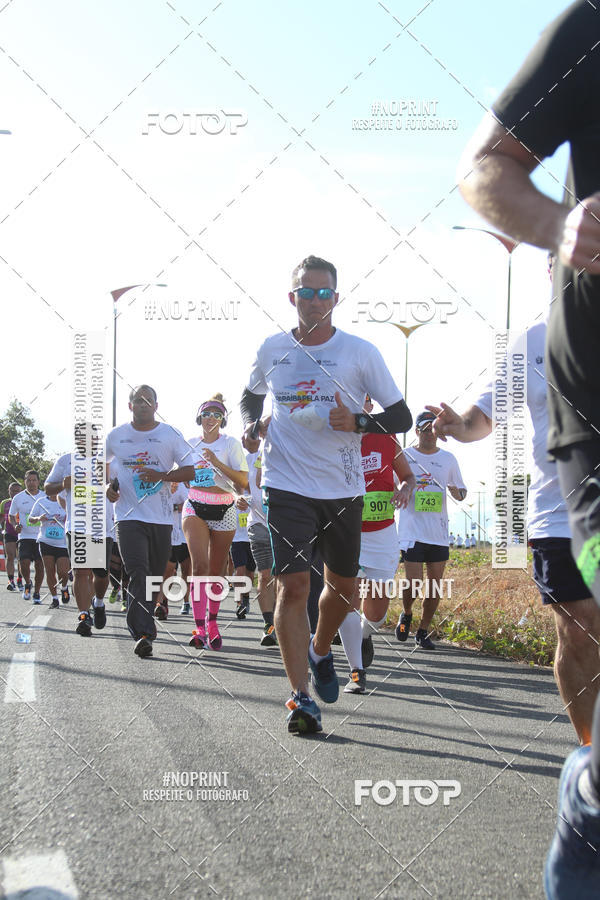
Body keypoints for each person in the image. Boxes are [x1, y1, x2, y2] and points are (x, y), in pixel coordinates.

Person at [457, 3, 600, 892]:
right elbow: (484, 169)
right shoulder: (590, 28)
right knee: (583, 630)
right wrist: (562, 226)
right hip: (588, 445)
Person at [241, 254, 412, 733]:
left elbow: (401, 417)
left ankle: (320, 650)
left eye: (323, 293)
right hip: (286, 484)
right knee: (293, 587)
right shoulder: (272, 348)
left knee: (342, 592)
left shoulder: (360, 352)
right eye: (306, 292)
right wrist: (251, 425)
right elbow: (250, 395)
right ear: (292, 297)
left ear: (336, 298)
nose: (315, 301)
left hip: (343, 488)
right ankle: (300, 698)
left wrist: (357, 421)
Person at [429, 319, 600, 745]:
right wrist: (459, 424)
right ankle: (591, 755)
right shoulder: (533, 343)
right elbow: (482, 417)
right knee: (579, 629)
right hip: (561, 514)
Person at [106, 385, 195, 658]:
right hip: (128, 517)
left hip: (161, 519)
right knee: (138, 572)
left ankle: (145, 621)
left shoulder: (169, 434)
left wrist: (162, 476)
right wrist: (108, 487)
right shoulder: (116, 435)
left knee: (155, 578)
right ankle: (143, 633)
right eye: (138, 400)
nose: (143, 404)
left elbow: (190, 471)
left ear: (156, 406)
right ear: (130, 405)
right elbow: (100, 466)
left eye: (148, 400)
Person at [338, 396, 416, 691]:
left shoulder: (386, 436)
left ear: (370, 406)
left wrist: (405, 490)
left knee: (377, 615)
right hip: (348, 533)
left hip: (382, 533)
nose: (361, 401)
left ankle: (364, 634)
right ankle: (355, 671)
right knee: (349, 600)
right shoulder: (334, 438)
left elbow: (408, 476)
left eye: (367, 398)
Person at [395, 411, 467, 650]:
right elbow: (392, 483)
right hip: (412, 531)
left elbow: (461, 491)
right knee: (414, 583)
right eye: (425, 430)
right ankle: (406, 613)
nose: (430, 434)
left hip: (438, 532)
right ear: (417, 431)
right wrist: (399, 492)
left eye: (433, 430)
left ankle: (423, 631)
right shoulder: (405, 455)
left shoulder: (448, 459)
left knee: (435, 586)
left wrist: (458, 492)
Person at [182, 394, 248, 650]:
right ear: (199, 417)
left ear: (223, 420)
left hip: (224, 508)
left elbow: (242, 481)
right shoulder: (189, 444)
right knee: (200, 566)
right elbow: (182, 474)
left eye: (217, 415)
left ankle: (212, 623)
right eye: (207, 414)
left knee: (217, 570)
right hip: (195, 506)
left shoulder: (230, 444)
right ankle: (199, 628)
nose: (211, 418)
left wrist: (216, 462)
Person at [45, 427, 115, 634]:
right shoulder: (65, 461)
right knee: (81, 571)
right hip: (77, 526)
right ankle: (83, 616)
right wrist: (63, 484)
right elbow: (48, 488)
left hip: (102, 526)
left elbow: (120, 484)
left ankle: (99, 602)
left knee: (101, 574)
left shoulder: (107, 461)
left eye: (92, 437)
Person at [243, 437, 278, 647]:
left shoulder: (291, 452)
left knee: (285, 578)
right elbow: (239, 487)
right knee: (265, 575)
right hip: (258, 523)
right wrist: (238, 498)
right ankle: (269, 625)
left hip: (287, 525)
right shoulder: (249, 459)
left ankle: (284, 622)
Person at [9, 471, 45, 603]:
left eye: (34, 480)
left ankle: (37, 592)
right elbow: (11, 515)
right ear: (25, 482)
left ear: (38, 482)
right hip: (24, 536)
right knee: (24, 562)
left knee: (39, 565)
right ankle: (28, 583)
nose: (31, 483)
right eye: (28, 480)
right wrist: (15, 525)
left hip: (41, 536)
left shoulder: (44, 496)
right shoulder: (18, 498)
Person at [155, 482, 190, 619]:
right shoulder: (161, 483)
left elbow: (191, 505)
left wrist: (178, 507)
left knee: (184, 571)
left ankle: (185, 602)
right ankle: (161, 602)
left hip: (184, 533)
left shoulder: (187, 485)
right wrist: (176, 507)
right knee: (166, 570)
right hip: (167, 532)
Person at [29, 489, 69, 608]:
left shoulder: (66, 501)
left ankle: (64, 587)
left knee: (63, 572)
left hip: (63, 543)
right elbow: (30, 519)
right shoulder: (41, 502)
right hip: (46, 541)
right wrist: (38, 518)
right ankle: (54, 598)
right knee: (50, 571)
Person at [230, 492, 256, 620]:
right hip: (236, 540)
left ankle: (246, 597)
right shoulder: (232, 494)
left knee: (250, 574)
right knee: (239, 572)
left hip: (252, 539)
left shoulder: (255, 493)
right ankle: (239, 603)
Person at [1, 483, 21, 591]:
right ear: (9, 491)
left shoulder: (24, 501)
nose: (14, 493)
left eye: (17, 491)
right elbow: (1, 517)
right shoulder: (4, 503)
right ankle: (11, 580)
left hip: (22, 533)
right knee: (10, 556)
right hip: (9, 532)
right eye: (12, 491)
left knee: (21, 558)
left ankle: (20, 579)